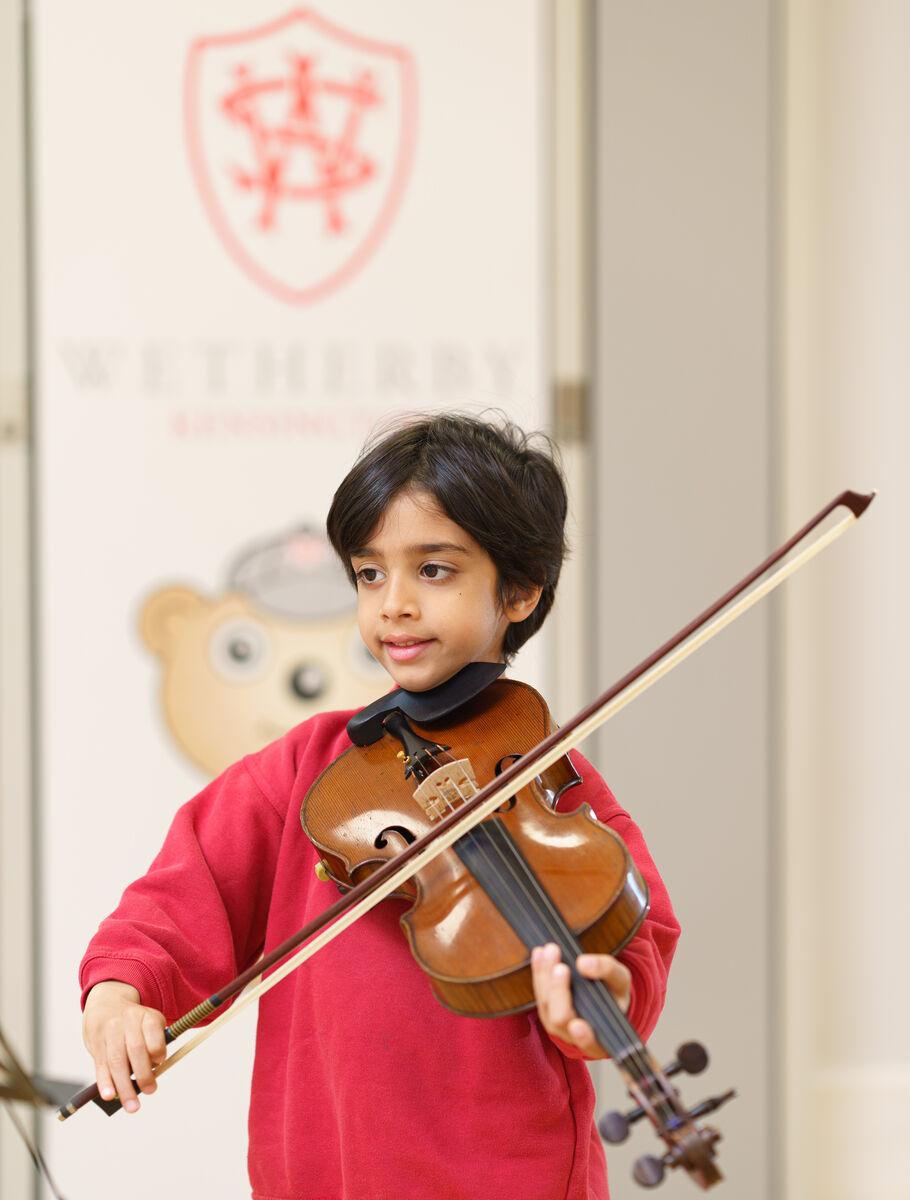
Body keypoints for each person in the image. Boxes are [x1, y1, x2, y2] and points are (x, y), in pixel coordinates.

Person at [80, 413, 680, 1200]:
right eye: (369, 574)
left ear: (521, 590)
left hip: (507, 1177)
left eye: (433, 571)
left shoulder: (551, 783)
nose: (392, 603)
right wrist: (121, 996)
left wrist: (601, 1002)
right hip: (320, 1174)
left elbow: (639, 934)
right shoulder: (306, 773)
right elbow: (180, 895)